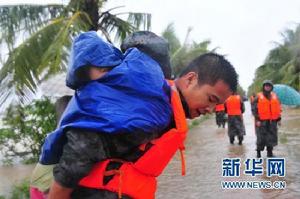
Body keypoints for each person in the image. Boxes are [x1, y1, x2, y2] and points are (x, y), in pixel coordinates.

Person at [36, 31, 238, 199]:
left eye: (217, 105)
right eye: (211, 99)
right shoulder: (152, 105)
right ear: (191, 80)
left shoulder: (160, 104)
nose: (211, 110)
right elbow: (83, 145)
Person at [252, 80, 281, 158]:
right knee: (261, 138)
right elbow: (254, 108)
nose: (267, 87)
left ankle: (270, 153)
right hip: (261, 121)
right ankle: (258, 153)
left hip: (272, 121)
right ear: (264, 87)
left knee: (271, 137)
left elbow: (278, 108)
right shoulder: (258, 96)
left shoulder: (275, 96)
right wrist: (257, 119)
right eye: (266, 86)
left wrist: (279, 119)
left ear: (271, 87)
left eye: (269, 86)